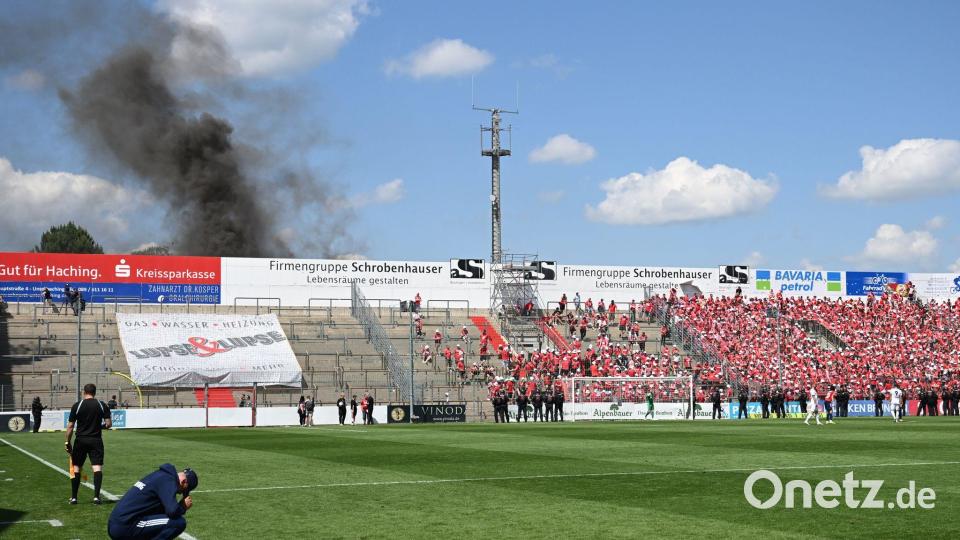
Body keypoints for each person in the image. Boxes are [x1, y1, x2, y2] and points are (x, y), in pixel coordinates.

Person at [107, 464, 197, 540]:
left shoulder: (160, 475)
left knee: (162, 517)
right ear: (184, 481)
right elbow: (172, 511)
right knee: (178, 523)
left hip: (116, 523)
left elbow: (163, 511)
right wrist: (182, 507)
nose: (179, 493)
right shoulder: (168, 480)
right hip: (125, 526)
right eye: (183, 490)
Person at [65, 383, 112, 504]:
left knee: (76, 468)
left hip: (80, 440)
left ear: (84, 392)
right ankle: (96, 497)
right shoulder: (101, 405)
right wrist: (99, 427)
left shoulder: (77, 405)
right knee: (97, 467)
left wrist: (67, 442)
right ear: (95, 392)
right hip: (96, 440)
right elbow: (108, 424)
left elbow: (70, 426)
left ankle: (74, 498)